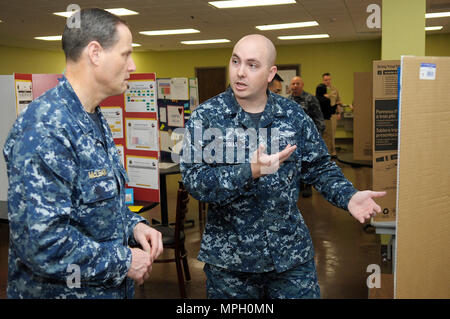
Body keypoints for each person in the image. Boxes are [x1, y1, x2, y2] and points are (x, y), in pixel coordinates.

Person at [180, 34, 386, 299]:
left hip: (289, 255)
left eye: (252, 65)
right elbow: (195, 181)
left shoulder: (293, 116)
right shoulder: (206, 117)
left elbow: (319, 166)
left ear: (270, 73)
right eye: (235, 61)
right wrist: (249, 171)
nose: (240, 72)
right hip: (230, 264)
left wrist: (349, 196)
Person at [3, 8, 163, 299]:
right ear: (95, 53)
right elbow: (42, 244)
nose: (133, 65)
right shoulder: (46, 127)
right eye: (126, 54)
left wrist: (134, 226)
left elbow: (93, 212)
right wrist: (125, 260)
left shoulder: (92, 118)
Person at [289, 76, 325, 197]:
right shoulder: (288, 100)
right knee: (295, 162)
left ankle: (308, 186)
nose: (295, 86)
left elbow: (318, 118)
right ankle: (298, 185)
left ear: (302, 85)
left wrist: (317, 137)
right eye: (293, 84)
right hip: (293, 139)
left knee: (308, 162)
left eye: (297, 84)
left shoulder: (310, 99)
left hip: (308, 137)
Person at [322, 72, 342, 157]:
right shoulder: (321, 89)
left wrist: (339, 113)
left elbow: (338, 102)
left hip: (333, 114)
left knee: (332, 133)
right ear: (323, 80)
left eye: (329, 79)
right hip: (324, 115)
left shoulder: (335, 90)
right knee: (325, 134)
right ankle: (325, 151)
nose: (328, 81)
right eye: (326, 80)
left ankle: (333, 151)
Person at [315, 83, 336, 158]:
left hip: (316, 122)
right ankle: (327, 156)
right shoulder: (326, 100)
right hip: (326, 121)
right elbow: (331, 111)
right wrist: (336, 105)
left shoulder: (314, 99)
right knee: (327, 138)